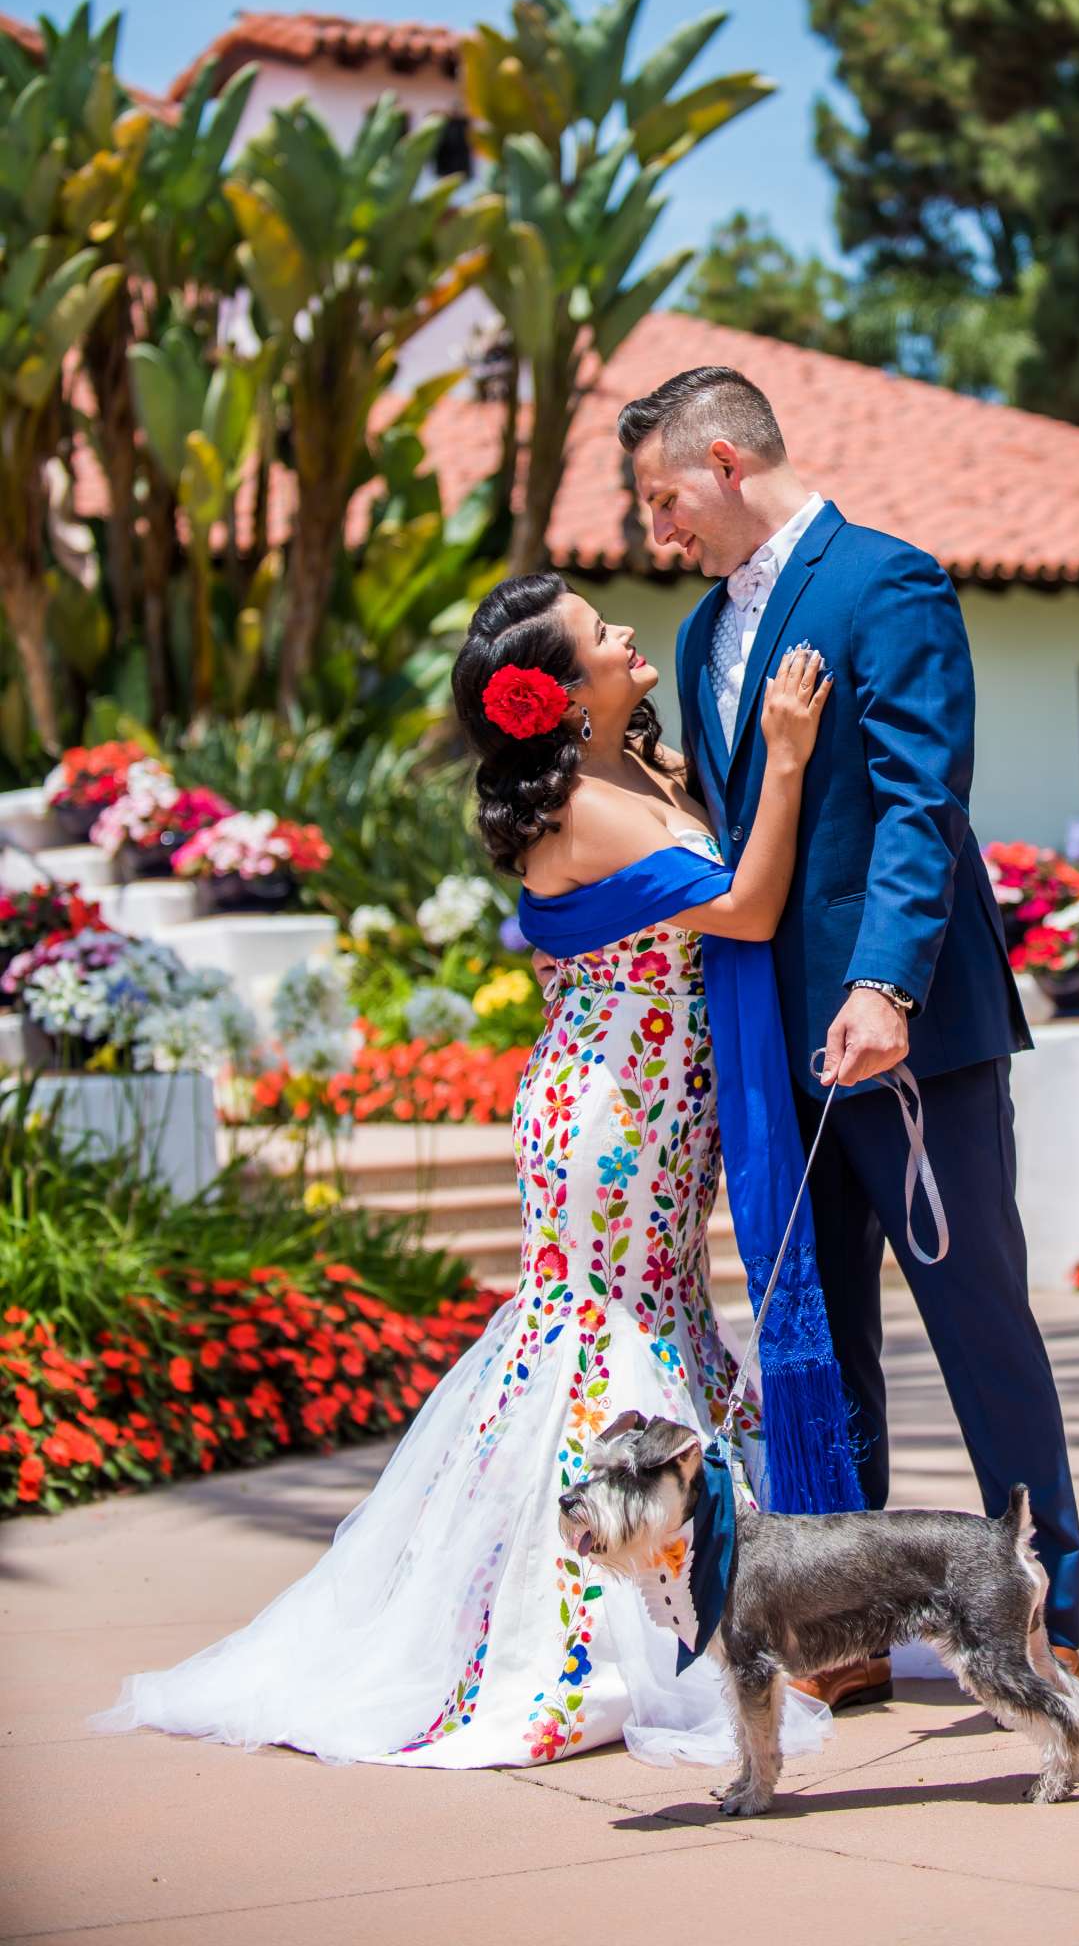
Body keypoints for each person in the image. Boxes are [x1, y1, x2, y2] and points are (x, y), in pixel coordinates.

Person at [91, 579, 845, 1770]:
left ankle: (689, 1596)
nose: (628, 636)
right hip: (609, 1113)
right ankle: (581, 1632)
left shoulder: (634, 772)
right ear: (558, 692)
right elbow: (747, 906)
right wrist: (791, 755)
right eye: (603, 635)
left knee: (655, 1318)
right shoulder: (585, 812)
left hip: (660, 1102)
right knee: (602, 1337)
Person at [617, 363, 1079, 1702]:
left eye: (663, 499)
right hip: (776, 1058)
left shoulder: (887, 581)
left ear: (722, 464)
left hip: (908, 1038)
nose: (655, 532)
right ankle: (846, 1633)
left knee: (974, 1318)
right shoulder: (707, 631)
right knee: (815, 1340)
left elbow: (914, 797)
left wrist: (880, 984)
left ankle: (1037, 1614)